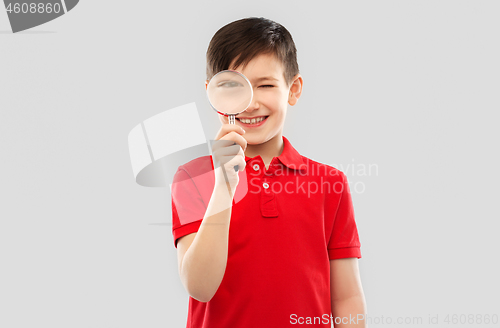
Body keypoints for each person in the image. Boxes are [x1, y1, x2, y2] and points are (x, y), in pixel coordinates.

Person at [171, 17, 367, 327]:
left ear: (293, 89)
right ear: (213, 94)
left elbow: (346, 298)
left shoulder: (330, 184)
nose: (249, 103)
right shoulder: (193, 178)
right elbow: (200, 287)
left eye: (265, 85)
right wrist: (224, 183)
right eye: (233, 86)